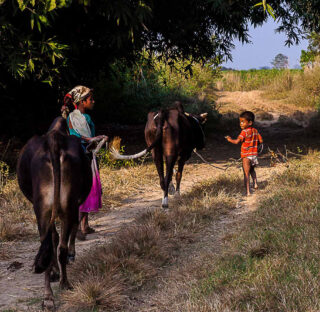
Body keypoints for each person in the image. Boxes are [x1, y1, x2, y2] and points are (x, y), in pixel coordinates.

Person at [61, 85, 107, 240]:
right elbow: (77, 136)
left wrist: (95, 139)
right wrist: (93, 139)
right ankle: (80, 227)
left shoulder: (74, 117)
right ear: (82, 102)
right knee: (83, 189)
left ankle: (84, 225)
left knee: (84, 189)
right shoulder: (79, 118)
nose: (93, 101)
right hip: (82, 155)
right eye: (90, 99)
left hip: (83, 154)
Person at [225, 111, 263, 196]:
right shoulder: (255, 131)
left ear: (250, 123)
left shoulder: (244, 132)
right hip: (254, 155)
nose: (241, 124)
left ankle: (248, 192)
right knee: (252, 170)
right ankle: (255, 183)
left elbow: (236, 141)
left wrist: (229, 139)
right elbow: (261, 140)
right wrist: (255, 145)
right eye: (240, 122)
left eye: (243, 122)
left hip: (246, 156)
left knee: (246, 174)